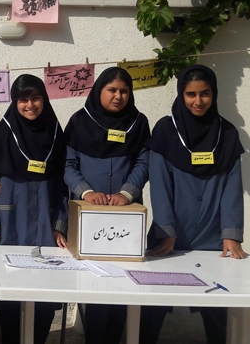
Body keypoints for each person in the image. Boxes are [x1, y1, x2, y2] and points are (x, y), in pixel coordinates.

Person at [142, 64, 246, 344]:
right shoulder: (166, 130)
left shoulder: (227, 133)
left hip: (214, 240)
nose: (198, 101)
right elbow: (159, 186)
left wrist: (231, 234)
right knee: (153, 307)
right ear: (181, 94)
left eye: (205, 93)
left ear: (214, 94)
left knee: (218, 311)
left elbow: (233, 188)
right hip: (172, 237)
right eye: (191, 94)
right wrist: (166, 231)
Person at [62, 67, 151, 344]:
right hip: (89, 218)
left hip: (126, 218)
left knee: (124, 283)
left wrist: (127, 193)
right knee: (94, 283)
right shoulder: (79, 121)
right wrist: (86, 192)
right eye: (112, 90)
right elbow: (67, 164)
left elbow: (144, 161)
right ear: (99, 90)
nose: (118, 96)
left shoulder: (138, 122)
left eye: (124, 91)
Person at [0, 74, 67, 344]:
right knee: (11, 297)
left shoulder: (55, 132)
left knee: (45, 298)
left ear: (44, 99)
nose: (30, 105)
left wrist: (60, 224)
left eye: (35, 98)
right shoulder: (1, 134)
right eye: (22, 100)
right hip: (10, 227)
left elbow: (64, 184)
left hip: (45, 230)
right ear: (14, 102)